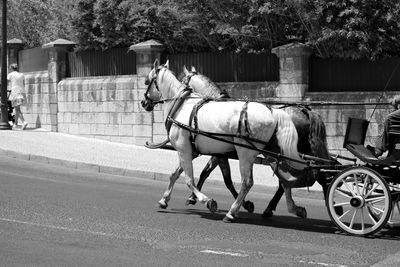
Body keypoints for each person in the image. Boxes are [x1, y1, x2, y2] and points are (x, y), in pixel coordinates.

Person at [7, 63, 28, 130]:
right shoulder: (22, 75)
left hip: (15, 93)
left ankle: (24, 122)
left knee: (17, 109)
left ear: (11, 68)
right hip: (22, 93)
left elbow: (7, 83)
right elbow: (23, 84)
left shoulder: (10, 75)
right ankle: (15, 124)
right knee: (17, 109)